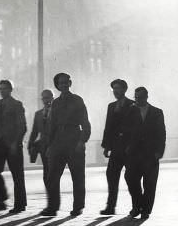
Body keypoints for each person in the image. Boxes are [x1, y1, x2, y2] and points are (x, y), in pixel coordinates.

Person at [40, 73, 91, 217]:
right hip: (58, 142)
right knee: (52, 177)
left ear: (70, 83)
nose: (63, 85)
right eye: (60, 83)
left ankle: (78, 207)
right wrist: (50, 146)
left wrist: (82, 141)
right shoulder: (55, 103)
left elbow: (85, 123)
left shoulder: (77, 100)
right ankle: (52, 207)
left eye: (66, 82)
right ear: (57, 85)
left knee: (78, 177)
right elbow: (52, 126)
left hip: (74, 140)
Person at [125, 86, 166, 220]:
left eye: (140, 97)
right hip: (134, 153)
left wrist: (159, 151)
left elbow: (161, 133)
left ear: (146, 97)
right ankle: (137, 205)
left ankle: (145, 210)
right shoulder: (130, 111)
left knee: (149, 183)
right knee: (130, 178)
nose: (138, 100)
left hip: (151, 153)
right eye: (136, 97)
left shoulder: (157, 112)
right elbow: (124, 131)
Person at [0, 79, 27, 213]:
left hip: (13, 144)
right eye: (0, 89)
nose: (2, 91)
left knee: (17, 175)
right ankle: (2, 201)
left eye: (4, 89)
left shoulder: (17, 104)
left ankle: (20, 205)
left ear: (10, 90)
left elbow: (22, 127)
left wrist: (16, 143)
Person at [99, 79, 136, 215]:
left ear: (125, 90)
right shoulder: (111, 106)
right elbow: (108, 127)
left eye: (118, 88)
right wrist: (106, 146)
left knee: (131, 177)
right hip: (115, 148)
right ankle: (110, 206)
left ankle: (136, 206)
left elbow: (135, 128)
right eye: (114, 89)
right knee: (111, 175)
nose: (115, 91)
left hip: (128, 149)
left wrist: (131, 145)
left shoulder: (133, 105)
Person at [27, 89, 54, 186]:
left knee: (52, 171)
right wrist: (30, 144)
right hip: (43, 146)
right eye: (44, 98)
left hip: (55, 146)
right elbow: (34, 131)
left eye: (48, 98)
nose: (46, 100)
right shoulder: (38, 114)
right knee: (46, 169)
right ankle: (50, 194)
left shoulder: (57, 113)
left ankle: (53, 194)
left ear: (52, 98)